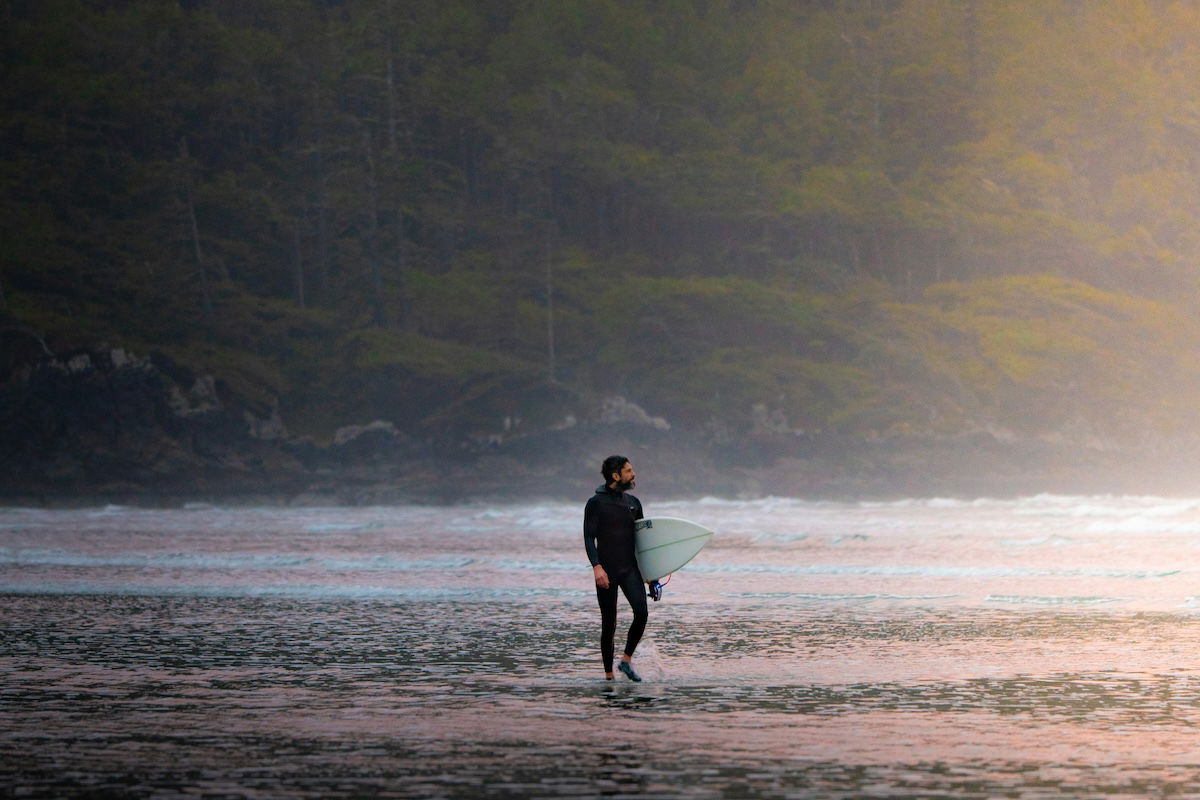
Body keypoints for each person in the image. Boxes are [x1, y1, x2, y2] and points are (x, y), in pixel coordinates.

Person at [583, 454, 650, 681]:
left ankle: (626, 661)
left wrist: (650, 574)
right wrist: (597, 567)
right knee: (609, 622)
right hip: (607, 571)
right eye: (629, 471)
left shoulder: (633, 503)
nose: (634, 474)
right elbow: (588, 537)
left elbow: (644, 542)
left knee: (641, 612)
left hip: (630, 568)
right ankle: (609, 677)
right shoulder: (596, 503)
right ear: (616, 475)